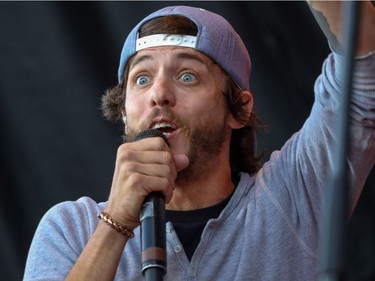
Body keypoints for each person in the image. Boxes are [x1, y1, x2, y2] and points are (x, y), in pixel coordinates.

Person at [24, 2, 375, 281]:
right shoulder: (71, 228)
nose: (159, 94)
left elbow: (364, 74)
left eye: (187, 76)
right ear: (125, 113)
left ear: (239, 109)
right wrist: (115, 224)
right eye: (142, 78)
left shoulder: (293, 195)